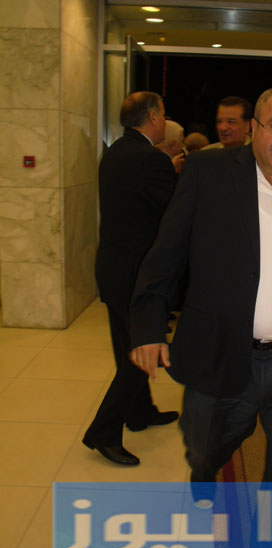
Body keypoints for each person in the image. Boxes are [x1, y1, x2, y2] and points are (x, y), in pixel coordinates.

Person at [129, 87, 272, 485]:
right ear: (254, 128)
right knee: (208, 446)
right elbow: (166, 255)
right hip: (224, 348)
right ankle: (205, 468)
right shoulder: (208, 172)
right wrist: (148, 327)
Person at [83, 91, 179, 466]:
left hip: (113, 268)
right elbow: (172, 211)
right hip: (135, 275)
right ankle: (103, 432)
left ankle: (140, 412)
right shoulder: (150, 159)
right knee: (140, 354)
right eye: (163, 114)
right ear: (152, 117)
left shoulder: (115, 153)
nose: (165, 121)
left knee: (129, 346)